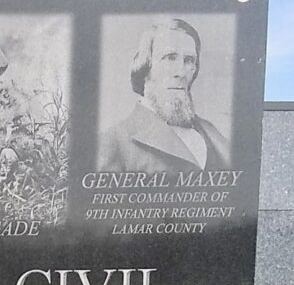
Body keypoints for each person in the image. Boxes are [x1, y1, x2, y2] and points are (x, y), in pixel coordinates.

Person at [98, 17, 230, 173]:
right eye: (170, 58)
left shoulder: (210, 131)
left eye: (189, 60)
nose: (181, 72)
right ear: (145, 67)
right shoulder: (112, 143)